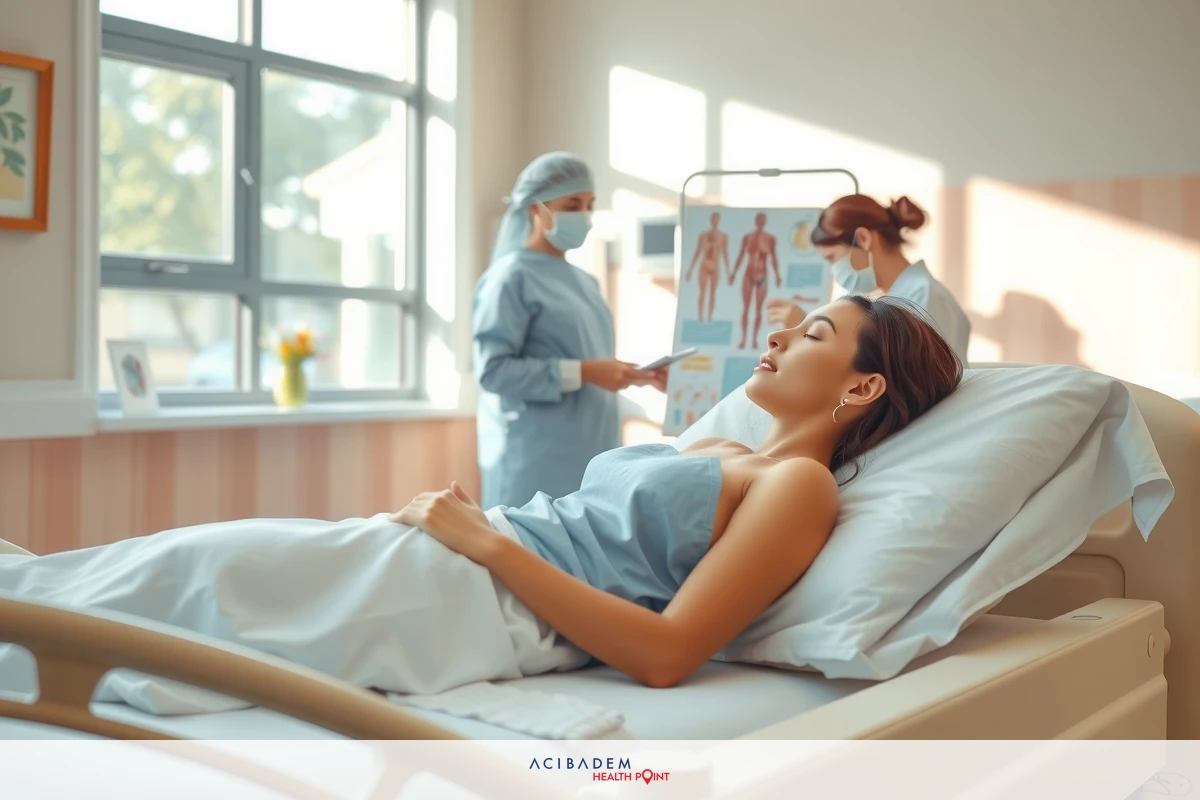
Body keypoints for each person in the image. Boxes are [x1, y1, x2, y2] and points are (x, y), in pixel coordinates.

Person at [0, 296, 962, 696]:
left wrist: (483, 543)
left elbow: (667, 654)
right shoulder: (718, 440)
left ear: (861, 388)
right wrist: (473, 528)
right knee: (172, 571)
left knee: (192, 574)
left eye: (816, 337)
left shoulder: (798, 486)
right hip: (461, 552)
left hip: (481, 588)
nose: (781, 335)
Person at [473, 152, 666, 510]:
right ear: (536, 208)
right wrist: (587, 372)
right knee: (525, 556)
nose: (584, 215)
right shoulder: (510, 277)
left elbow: (589, 364)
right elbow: (493, 371)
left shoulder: (586, 282)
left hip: (592, 453)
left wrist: (633, 375)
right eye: (572, 204)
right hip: (535, 460)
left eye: (590, 204)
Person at [767, 195, 972, 362]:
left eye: (833, 258)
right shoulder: (902, 298)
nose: (834, 270)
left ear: (864, 239)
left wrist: (808, 333)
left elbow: (896, 376)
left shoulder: (922, 296)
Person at [729, 212, 782, 350]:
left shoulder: (770, 239)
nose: (760, 222)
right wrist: (733, 273)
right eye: (758, 219)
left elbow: (773, 258)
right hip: (748, 274)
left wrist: (777, 274)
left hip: (762, 275)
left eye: (762, 220)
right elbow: (740, 255)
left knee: (758, 309)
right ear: (755, 221)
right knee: (746, 308)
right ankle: (743, 339)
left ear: (764, 222)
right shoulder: (747, 237)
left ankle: (754, 340)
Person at [685, 211, 729, 321]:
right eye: (713, 218)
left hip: (715, 266)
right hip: (704, 265)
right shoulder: (703, 236)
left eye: (717, 219)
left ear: (719, 221)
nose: (715, 221)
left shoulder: (723, 237)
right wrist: (690, 269)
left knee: (713, 293)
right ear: (711, 220)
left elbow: (725, 254)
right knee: (702, 292)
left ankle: (710, 318)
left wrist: (729, 272)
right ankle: (700, 318)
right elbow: (697, 252)